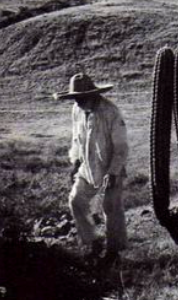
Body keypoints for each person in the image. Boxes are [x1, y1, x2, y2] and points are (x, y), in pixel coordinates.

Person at [54, 73, 129, 266]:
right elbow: (76, 139)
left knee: (111, 207)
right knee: (76, 199)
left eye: (80, 98)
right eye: (75, 98)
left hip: (110, 168)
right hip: (87, 167)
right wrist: (75, 162)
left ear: (92, 95)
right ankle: (93, 242)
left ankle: (114, 252)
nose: (77, 102)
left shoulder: (111, 112)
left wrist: (113, 172)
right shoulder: (77, 111)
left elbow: (121, 147)